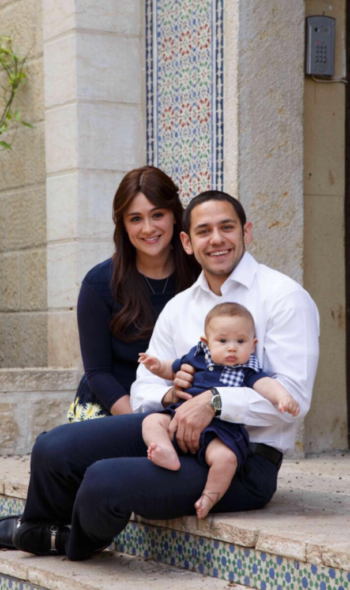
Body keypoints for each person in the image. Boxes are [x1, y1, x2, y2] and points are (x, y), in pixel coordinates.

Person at [0, 190, 319, 561]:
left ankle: (66, 544)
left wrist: (213, 402)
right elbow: (144, 385)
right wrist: (169, 396)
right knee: (54, 446)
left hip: (241, 459)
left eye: (227, 227)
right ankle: (38, 528)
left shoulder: (284, 298)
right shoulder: (179, 307)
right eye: (203, 231)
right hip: (170, 430)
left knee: (104, 480)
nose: (216, 239)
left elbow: (293, 399)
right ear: (186, 241)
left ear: (246, 232)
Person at [140, 302, 300, 519]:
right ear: (206, 343)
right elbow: (172, 367)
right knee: (151, 421)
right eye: (223, 341)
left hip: (221, 431)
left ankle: (209, 497)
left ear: (253, 345)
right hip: (182, 416)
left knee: (226, 459)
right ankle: (165, 450)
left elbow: (266, 385)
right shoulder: (197, 357)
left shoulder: (247, 370)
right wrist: (158, 367)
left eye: (240, 341)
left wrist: (283, 397)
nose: (232, 347)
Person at [67, 165, 199, 421]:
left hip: (184, 410)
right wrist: (139, 422)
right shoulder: (99, 283)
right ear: (124, 226)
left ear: (174, 215)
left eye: (157, 214)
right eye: (136, 218)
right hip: (114, 409)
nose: (148, 228)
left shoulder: (200, 276)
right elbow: (98, 373)